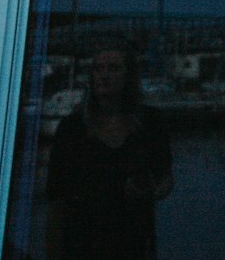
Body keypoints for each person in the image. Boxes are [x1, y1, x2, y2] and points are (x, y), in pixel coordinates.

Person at [45, 40, 172, 260]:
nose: (104, 75)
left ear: (128, 76)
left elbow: (166, 177)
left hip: (134, 244)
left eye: (113, 68)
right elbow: (57, 201)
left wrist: (150, 192)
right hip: (82, 246)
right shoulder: (72, 129)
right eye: (98, 68)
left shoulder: (151, 122)